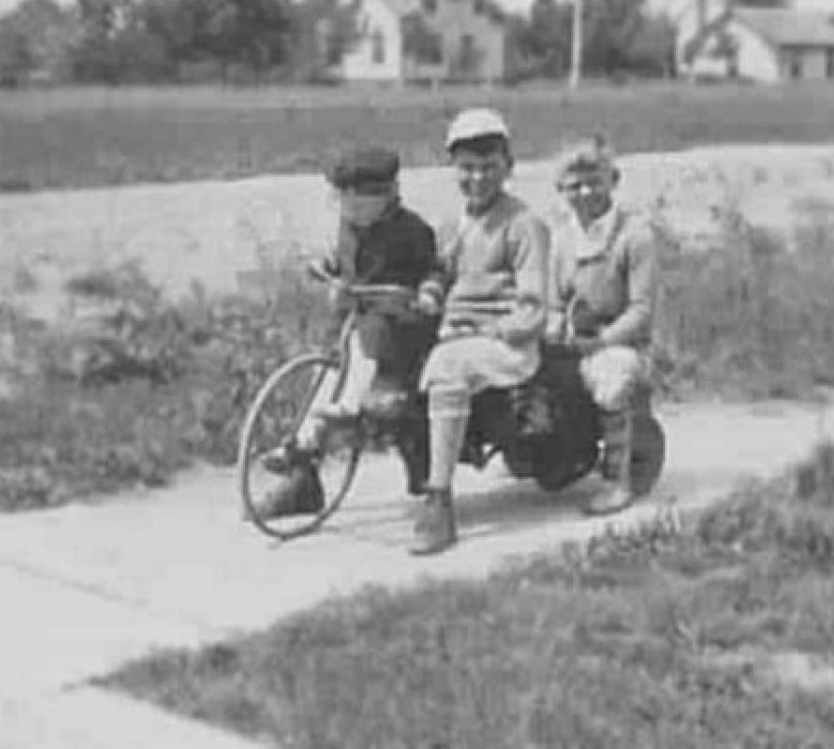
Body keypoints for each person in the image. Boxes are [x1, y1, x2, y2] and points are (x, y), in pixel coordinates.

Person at [254, 145, 439, 518]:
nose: (349, 212)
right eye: (343, 203)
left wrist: (428, 292)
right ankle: (302, 444)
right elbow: (344, 259)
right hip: (354, 314)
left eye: (358, 204)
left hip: (399, 325)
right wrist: (326, 266)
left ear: (386, 197)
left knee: (366, 341)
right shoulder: (349, 226)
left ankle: (351, 404)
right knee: (327, 369)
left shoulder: (413, 231)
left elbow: (432, 269)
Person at [409, 108, 551, 556]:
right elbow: (440, 270)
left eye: (489, 167)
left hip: (507, 345)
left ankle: (438, 500)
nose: (477, 178)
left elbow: (533, 309)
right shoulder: (455, 223)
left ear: (508, 166)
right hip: (456, 335)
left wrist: (485, 327)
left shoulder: (523, 225)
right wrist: (429, 293)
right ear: (452, 169)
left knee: (448, 366)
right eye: (467, 168)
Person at [546, 135, 660, 516]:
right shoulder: (562, 239)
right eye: (574, 184)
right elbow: (553, 301)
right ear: (561, 190)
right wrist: (558, 329)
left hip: (621, 342)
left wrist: (602, 340)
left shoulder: (634, 235)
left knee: (611, 380)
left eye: (594, 180)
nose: (585, 191)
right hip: (574, 339)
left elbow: (642, 310)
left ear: (614, 179)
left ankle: (617, 480)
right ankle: (550, 456)